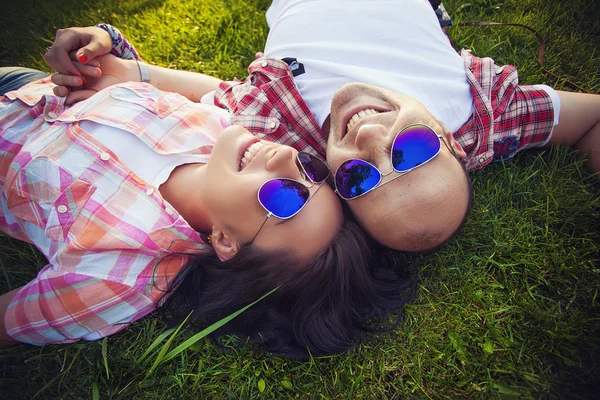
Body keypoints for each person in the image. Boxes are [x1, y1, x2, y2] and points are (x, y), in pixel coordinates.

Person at [41, 1, 600, 252]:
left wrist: (113, 56)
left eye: (359, 177)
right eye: (412, 147)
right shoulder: (486, 116)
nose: (370, 139)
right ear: (455, 142)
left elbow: (207, 89)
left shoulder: (281, 126)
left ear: (336, 186)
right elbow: (591, 116)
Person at [0, 66, 418, 357]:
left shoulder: (115, 276)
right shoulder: (223, 124)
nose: (287, 159)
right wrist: (104, 57)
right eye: (310, 170)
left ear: (225, 241)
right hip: (26, 83)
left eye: (286, 197)